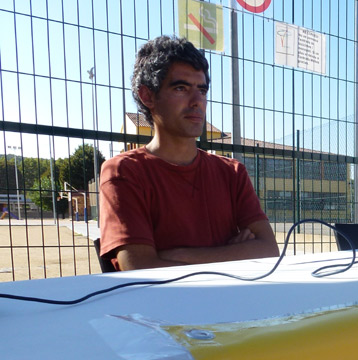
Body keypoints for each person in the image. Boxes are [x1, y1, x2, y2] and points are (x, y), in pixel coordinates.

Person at [99, 36, 279, 270]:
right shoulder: (124, 172)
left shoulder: (232, 172)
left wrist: (176, 255)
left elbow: (268, 250)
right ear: (148, 96)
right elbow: (139, 268)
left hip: (234, 301)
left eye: (202, 91)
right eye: (181, 88)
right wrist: (233, 252)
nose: (197, 102)